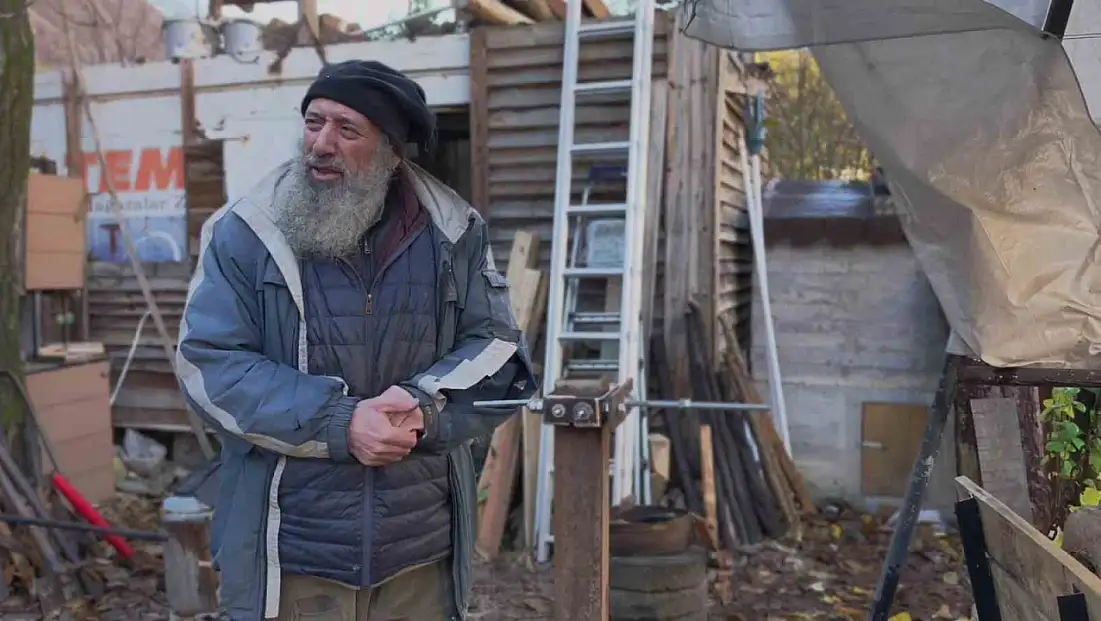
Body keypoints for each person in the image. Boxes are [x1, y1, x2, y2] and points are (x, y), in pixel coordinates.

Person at [175, 59, 536, 621]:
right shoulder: (247, 232)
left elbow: (498, 351)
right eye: (314, 121)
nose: (321, 144)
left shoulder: (454, 232)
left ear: (392, 150)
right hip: (289, 550)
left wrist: (425, 409)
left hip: (421, 550)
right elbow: (208, 365)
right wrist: (341, 423)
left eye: (347, 129)